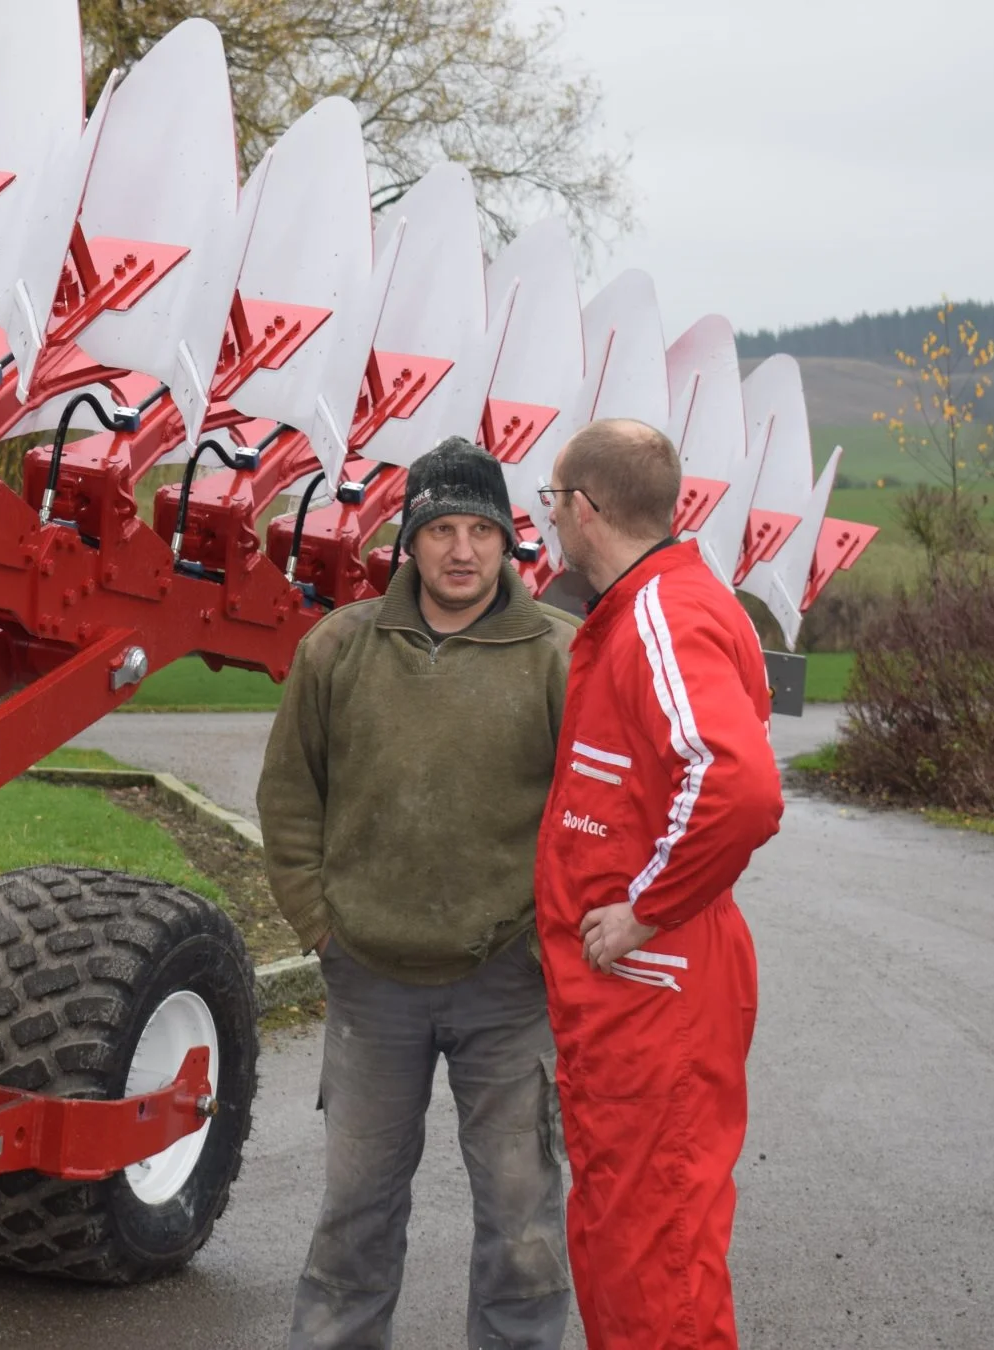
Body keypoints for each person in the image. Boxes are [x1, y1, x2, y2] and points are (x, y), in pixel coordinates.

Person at [260, 437, 580, 1350]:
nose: (461, 551)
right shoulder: (338, 649)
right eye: (441, 528)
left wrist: (544, 944)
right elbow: (289, 799)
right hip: (371, 983)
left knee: (522, 1228)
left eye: (481, 529)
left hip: (510, 988)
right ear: (410, 541)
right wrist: (321, 928)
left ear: (510, 544)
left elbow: (593, 816)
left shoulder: (559, 655)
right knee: (354, 1218)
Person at [533, 418, 784, 1349]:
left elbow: (738, 785)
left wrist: (645, 910)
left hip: (656, 996)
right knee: (623, 1235)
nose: (552, 518)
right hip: (634, 1001)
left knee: (656, 1252)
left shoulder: (660, 619)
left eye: (555, 500)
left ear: (585, 510)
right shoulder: (658, 605)